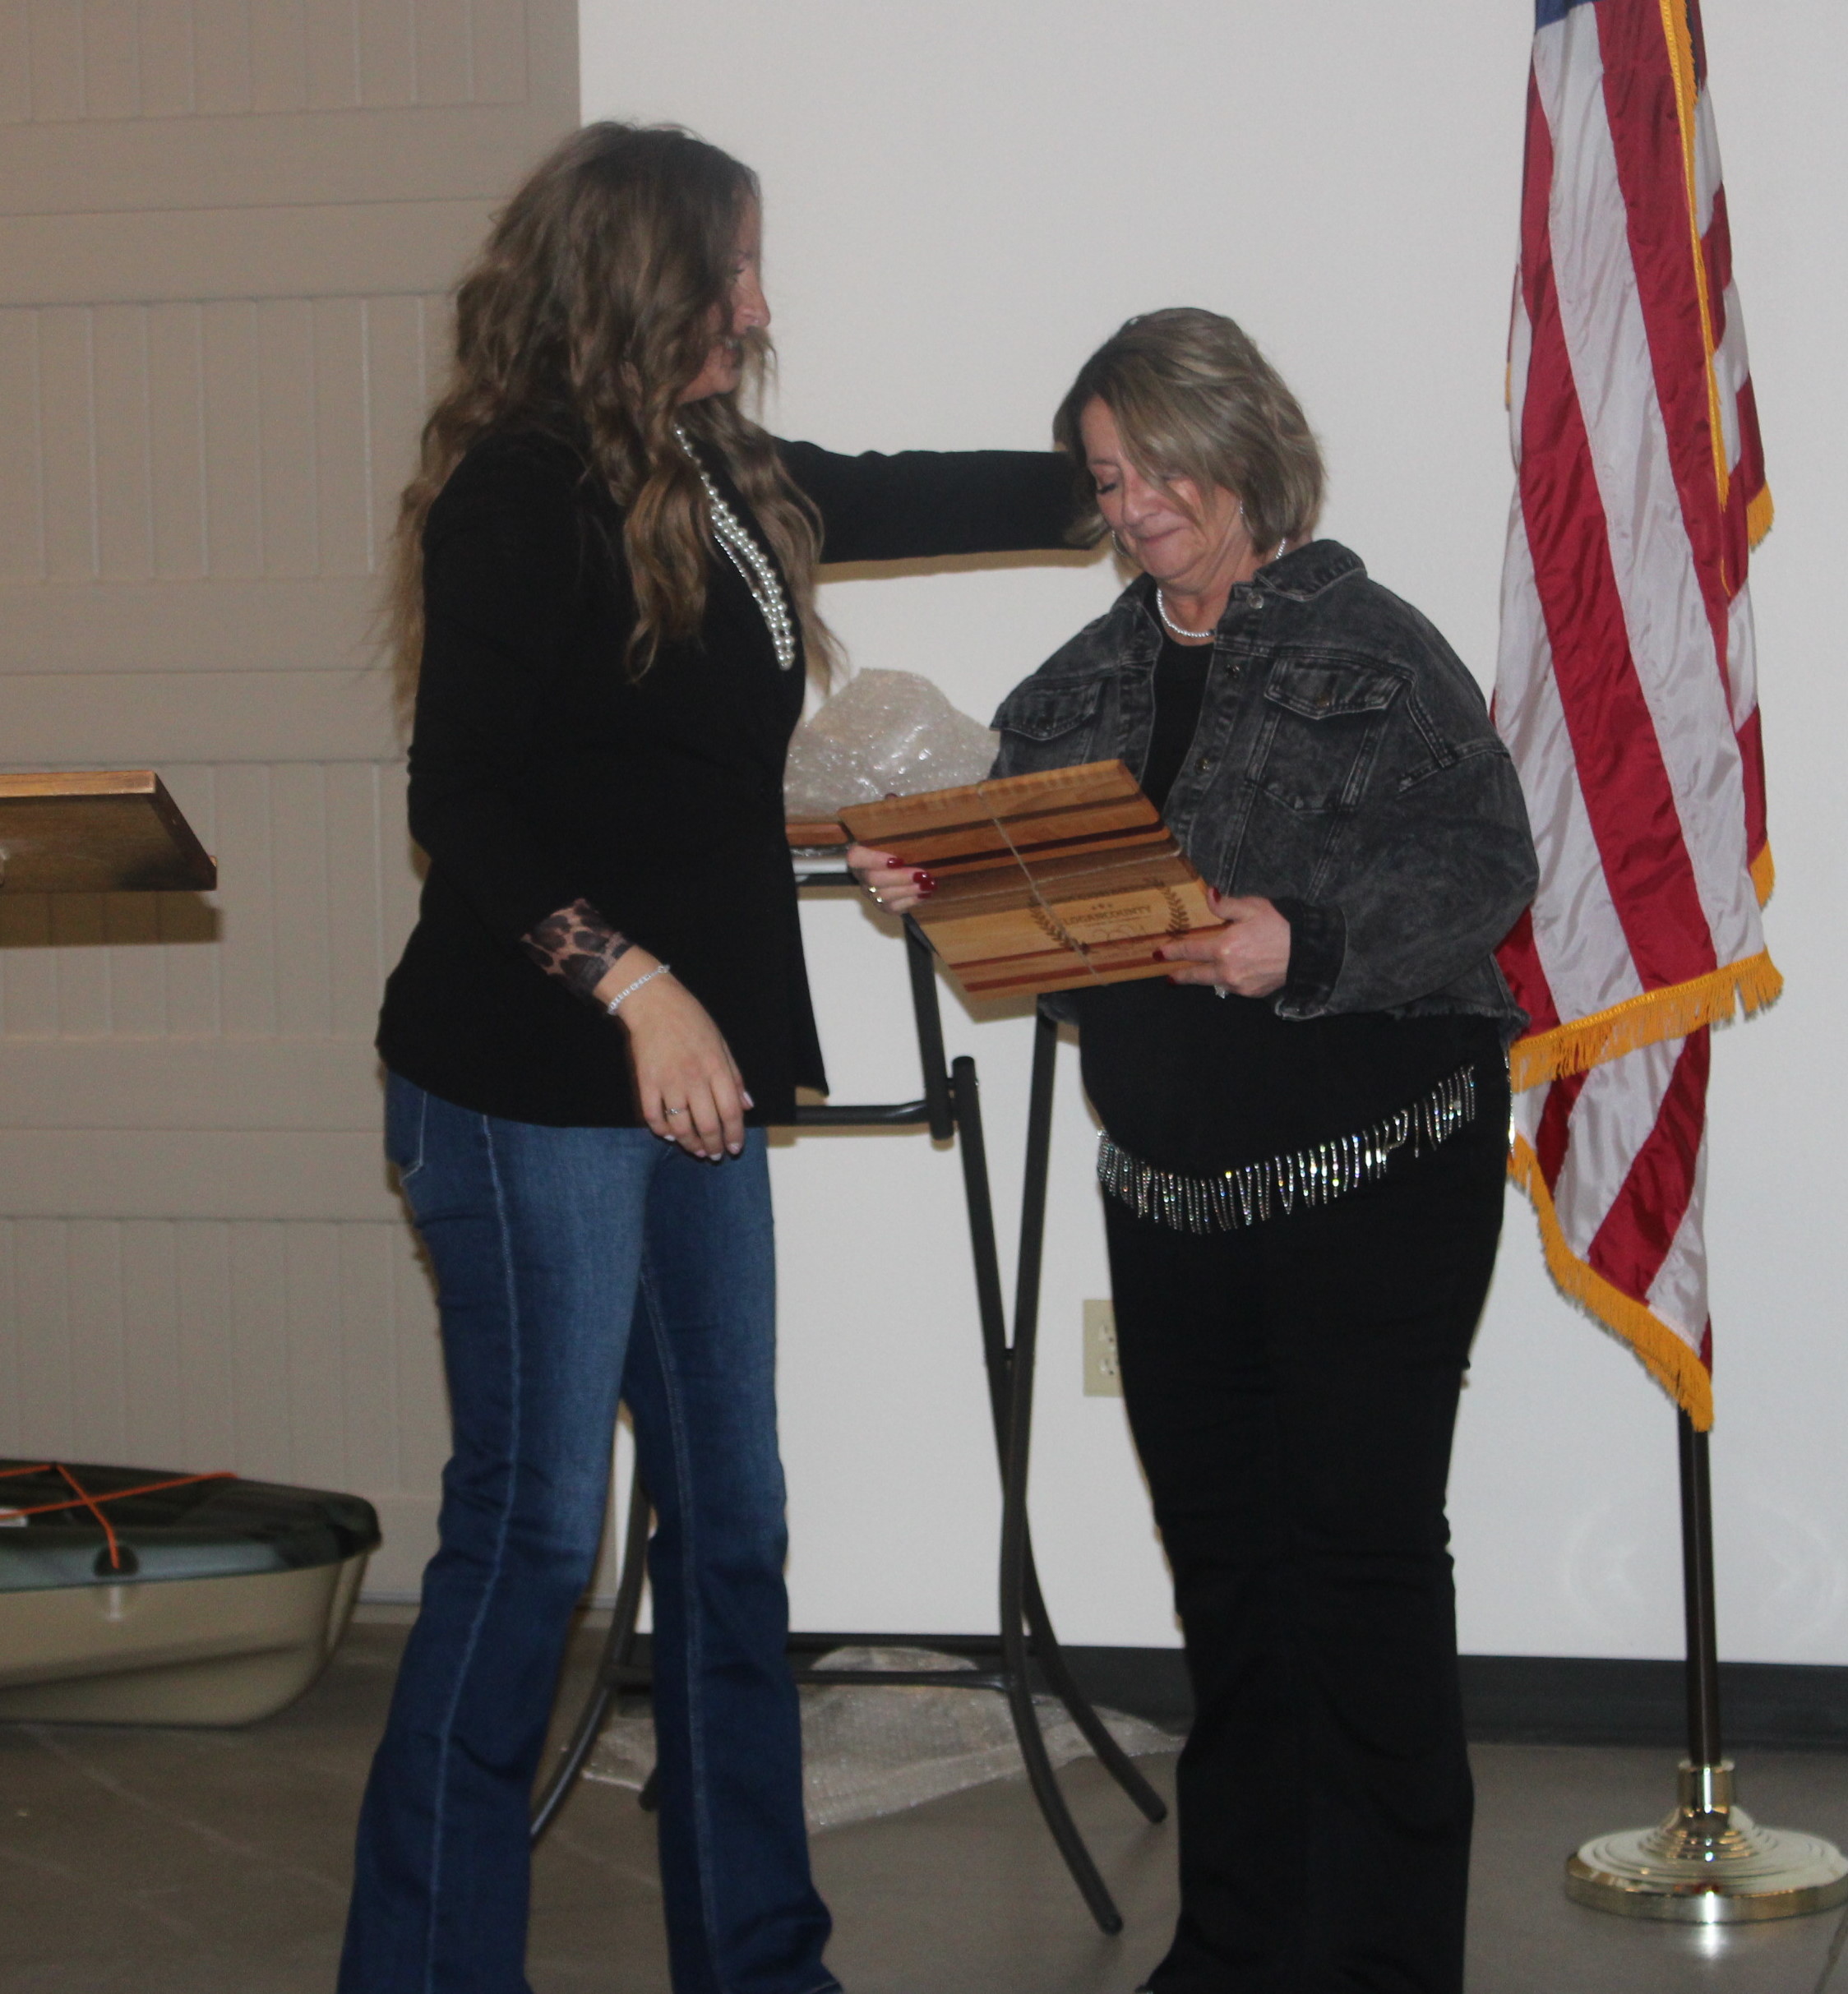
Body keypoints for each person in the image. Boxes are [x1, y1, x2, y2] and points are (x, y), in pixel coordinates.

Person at [344, 121, 1079, 1994]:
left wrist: (1121, 473)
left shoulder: (716, 471)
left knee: (731, 1530)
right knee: (525, 1547)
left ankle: (759, 1963)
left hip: (687, 1087)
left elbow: (901, 494)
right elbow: (467, 800)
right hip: (528, 1081)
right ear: (639, 282)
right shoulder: (518, 491)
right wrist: (637, 982)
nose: (760, 307)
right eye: (733, 271)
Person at [853, 308, 1538, 1994]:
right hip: (1164, 1194)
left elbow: (1483, 870)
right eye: (1108, 475)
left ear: (1244, 451)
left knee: (1358, 1572)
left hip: (1376, 1173)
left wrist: (1295, 940)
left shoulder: (1376, 650)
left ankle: (1383, 1965)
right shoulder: (1074, 682)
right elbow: (1027, 889)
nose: (1137, 500)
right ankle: (1230, 1954)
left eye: (1162, 463)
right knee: (1227, 1587)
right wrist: (927, 884)